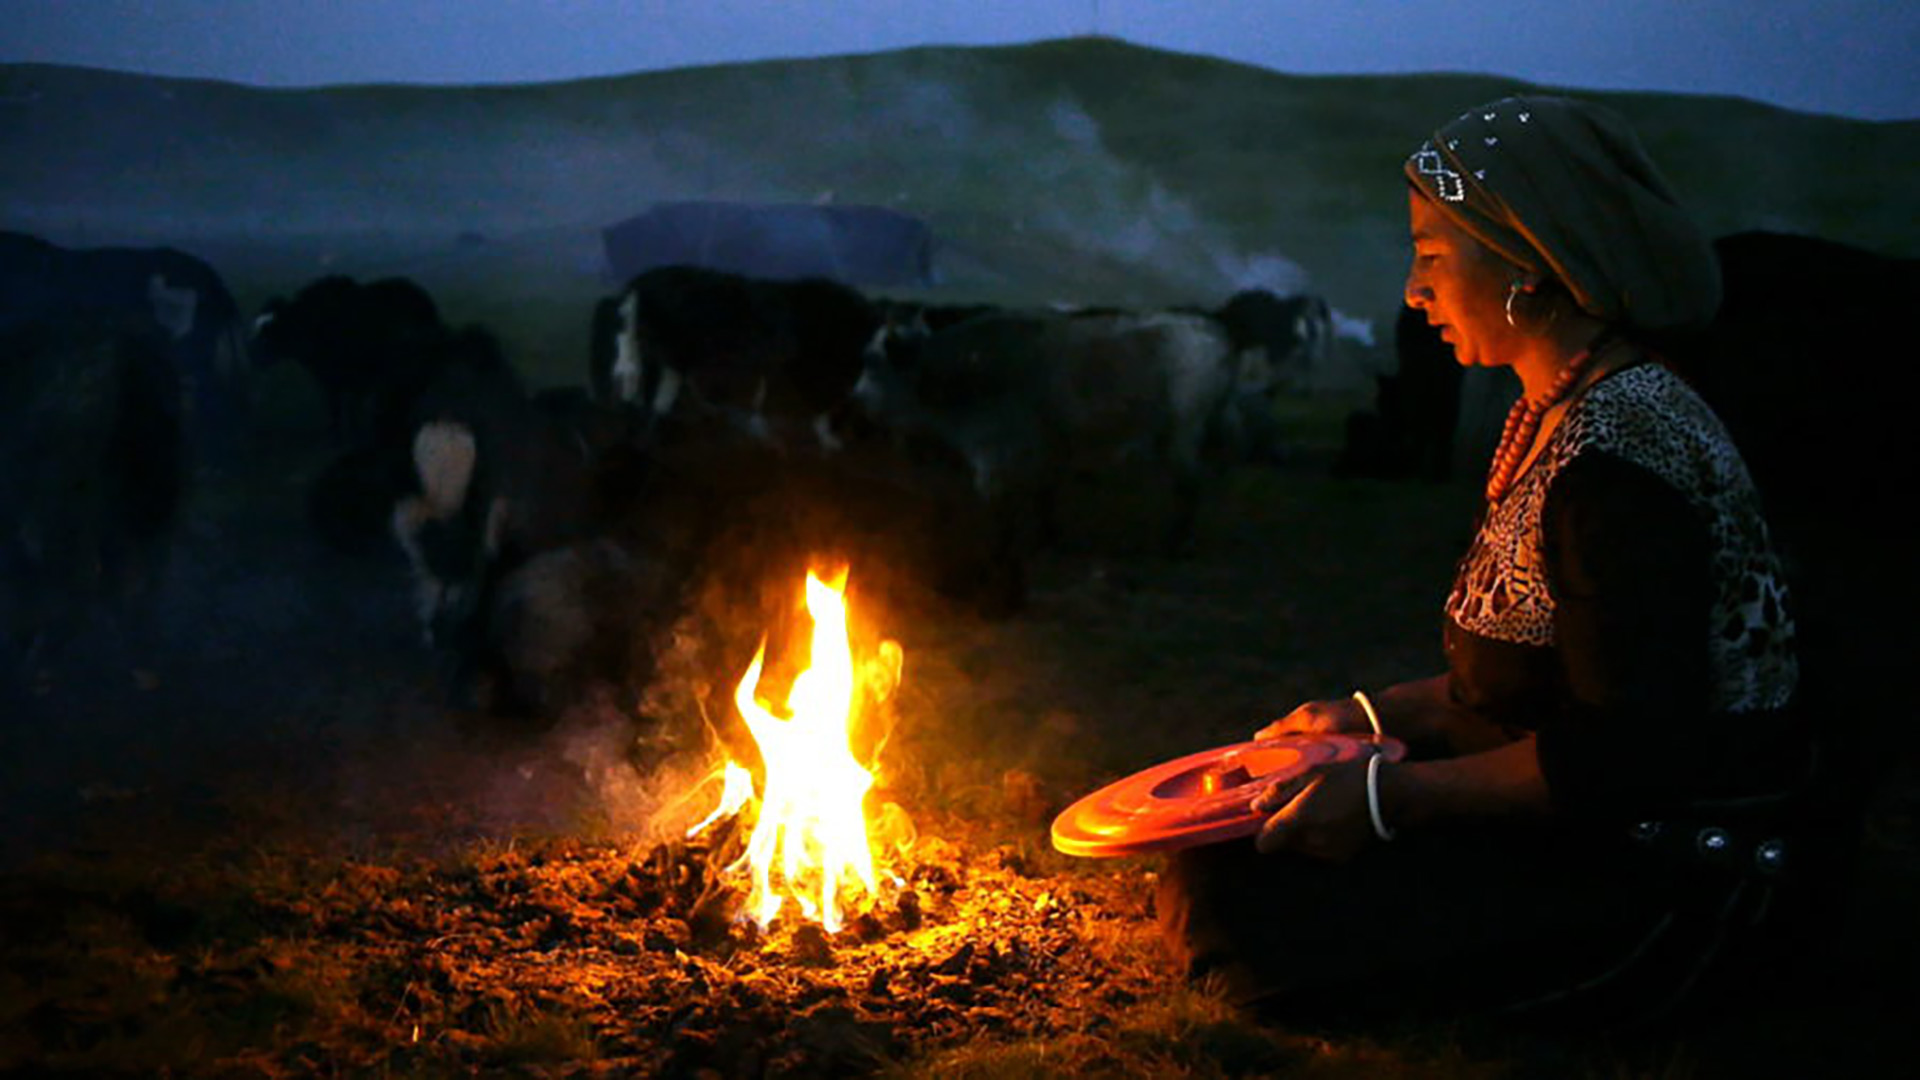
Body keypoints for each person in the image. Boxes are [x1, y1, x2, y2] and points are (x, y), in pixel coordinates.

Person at [1157, 95, 1809, 1026]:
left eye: (1430, 256)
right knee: (1231, 849)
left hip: (1656, 867)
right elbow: (1535, 669)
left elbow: (1629, 751)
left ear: (1529, 266)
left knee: (1253, 913)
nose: (1413, 292)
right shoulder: (1558, 408)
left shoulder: (1620, 461)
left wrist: (1392, 797)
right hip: (1573, 805)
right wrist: (1369, 716)